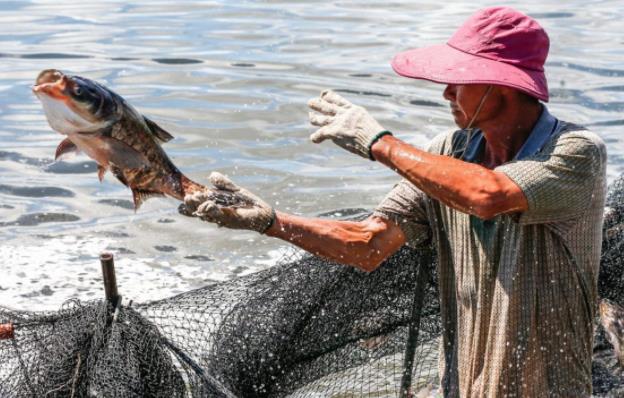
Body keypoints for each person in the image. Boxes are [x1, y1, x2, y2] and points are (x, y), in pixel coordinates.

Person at [180, 7, 607, 397]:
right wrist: (269, 221)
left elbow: (488, 195)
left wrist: (379, 144)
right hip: (463, 383)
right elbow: (366, 244)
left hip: (549, 386)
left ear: (500, 85)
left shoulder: (574, 151)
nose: (446, 93)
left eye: (459, 81)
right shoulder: (449, 152)